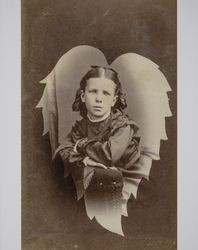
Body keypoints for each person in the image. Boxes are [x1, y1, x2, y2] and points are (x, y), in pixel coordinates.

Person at [56, 66, 142, 202]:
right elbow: (62, 151)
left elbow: (109, 156)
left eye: (106, 93)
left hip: (125, 179)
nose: (98, 99)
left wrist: (81, 145)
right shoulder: (81, 127)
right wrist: (85, 160)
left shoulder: (122, 125)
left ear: (114, 100)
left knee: (103, 177)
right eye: (93, 92)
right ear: (83, 96)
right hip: (97, 179)